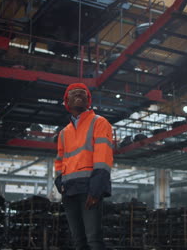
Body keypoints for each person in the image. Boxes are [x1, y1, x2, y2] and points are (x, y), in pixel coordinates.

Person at [54, 83, 113, 250]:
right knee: (78, 241)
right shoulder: (64, 132)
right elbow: (59, 160)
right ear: (67, 101)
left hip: (89, 189)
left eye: (83, 94)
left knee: (93, 239)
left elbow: (103, 158)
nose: (79, 96)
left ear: (89, 100)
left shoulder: (99, 123)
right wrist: (60, 183)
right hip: (70, 191)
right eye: (74, 94)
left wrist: (96, 190)